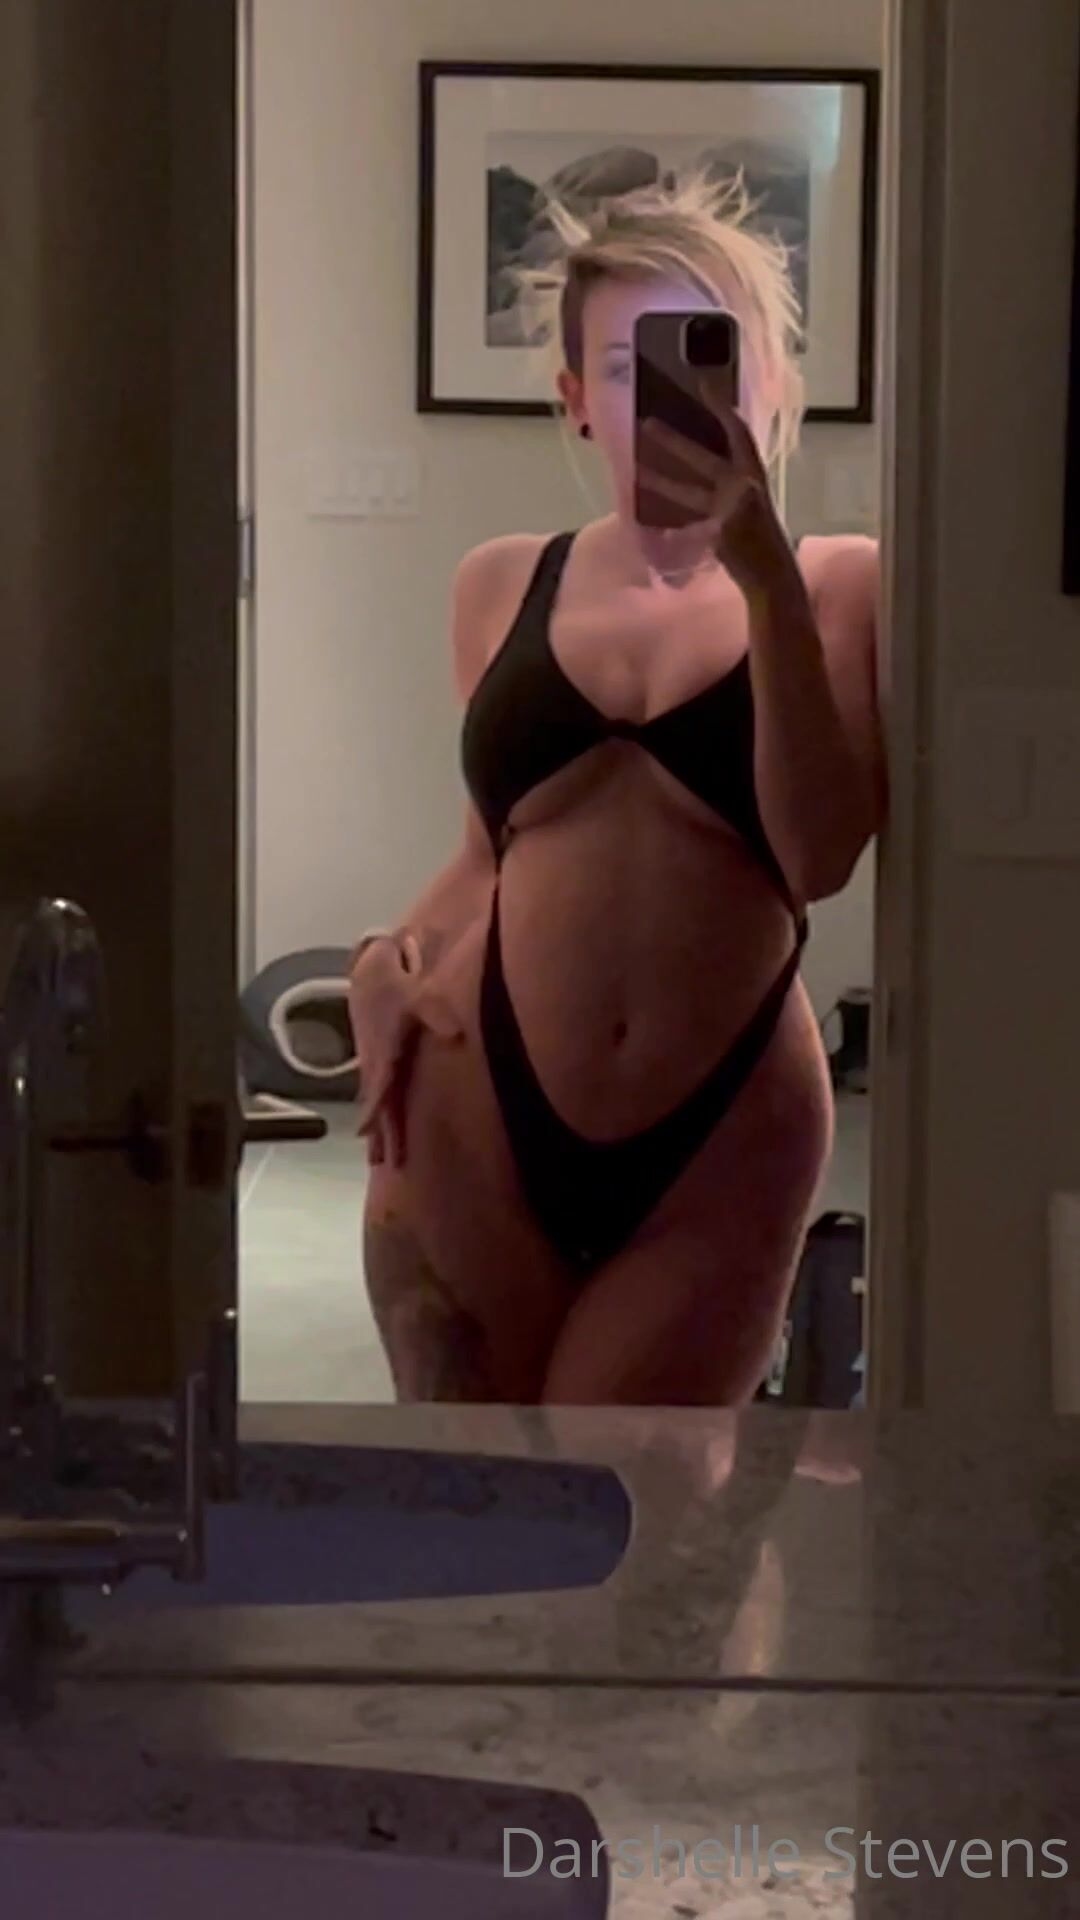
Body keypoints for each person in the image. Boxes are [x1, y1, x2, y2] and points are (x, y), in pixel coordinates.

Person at [348, 172, 885, 1405]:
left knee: (640, 1504)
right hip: (474, 1109)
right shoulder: (502, 583)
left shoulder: (843, 587)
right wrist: (384, 957)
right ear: (576, 401)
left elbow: (816, 860)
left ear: (770, 380)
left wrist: (765, 583)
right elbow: (490, 854)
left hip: (721, 1133)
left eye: (706, 354)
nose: (667, 398)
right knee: (472, 1491)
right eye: (628, 367)